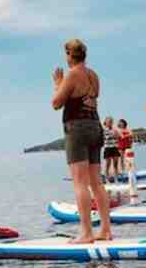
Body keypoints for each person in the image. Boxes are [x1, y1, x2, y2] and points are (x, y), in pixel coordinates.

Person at [52, 38, 112, 243]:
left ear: (70, 54)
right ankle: (105, 230)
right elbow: (93, 96)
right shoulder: (93, 75)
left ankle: (86, 233)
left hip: (77, 128)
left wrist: (58, 84)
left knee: (80, 183)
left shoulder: (72, 75)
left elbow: (56, 103)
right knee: (97, 182)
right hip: (95, 125)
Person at [102, 116, 122, 181]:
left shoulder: (115, 129)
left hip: (115, 147)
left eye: (111, 121)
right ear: (106, 122)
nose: (110, 122)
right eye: (109, 121)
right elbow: (101, 138)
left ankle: (116, 177)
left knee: (115, 163)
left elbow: (120, 137)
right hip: (107, 148)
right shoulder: (103, 130)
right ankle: (107, 177)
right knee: (108, 163)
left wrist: (116, 134)